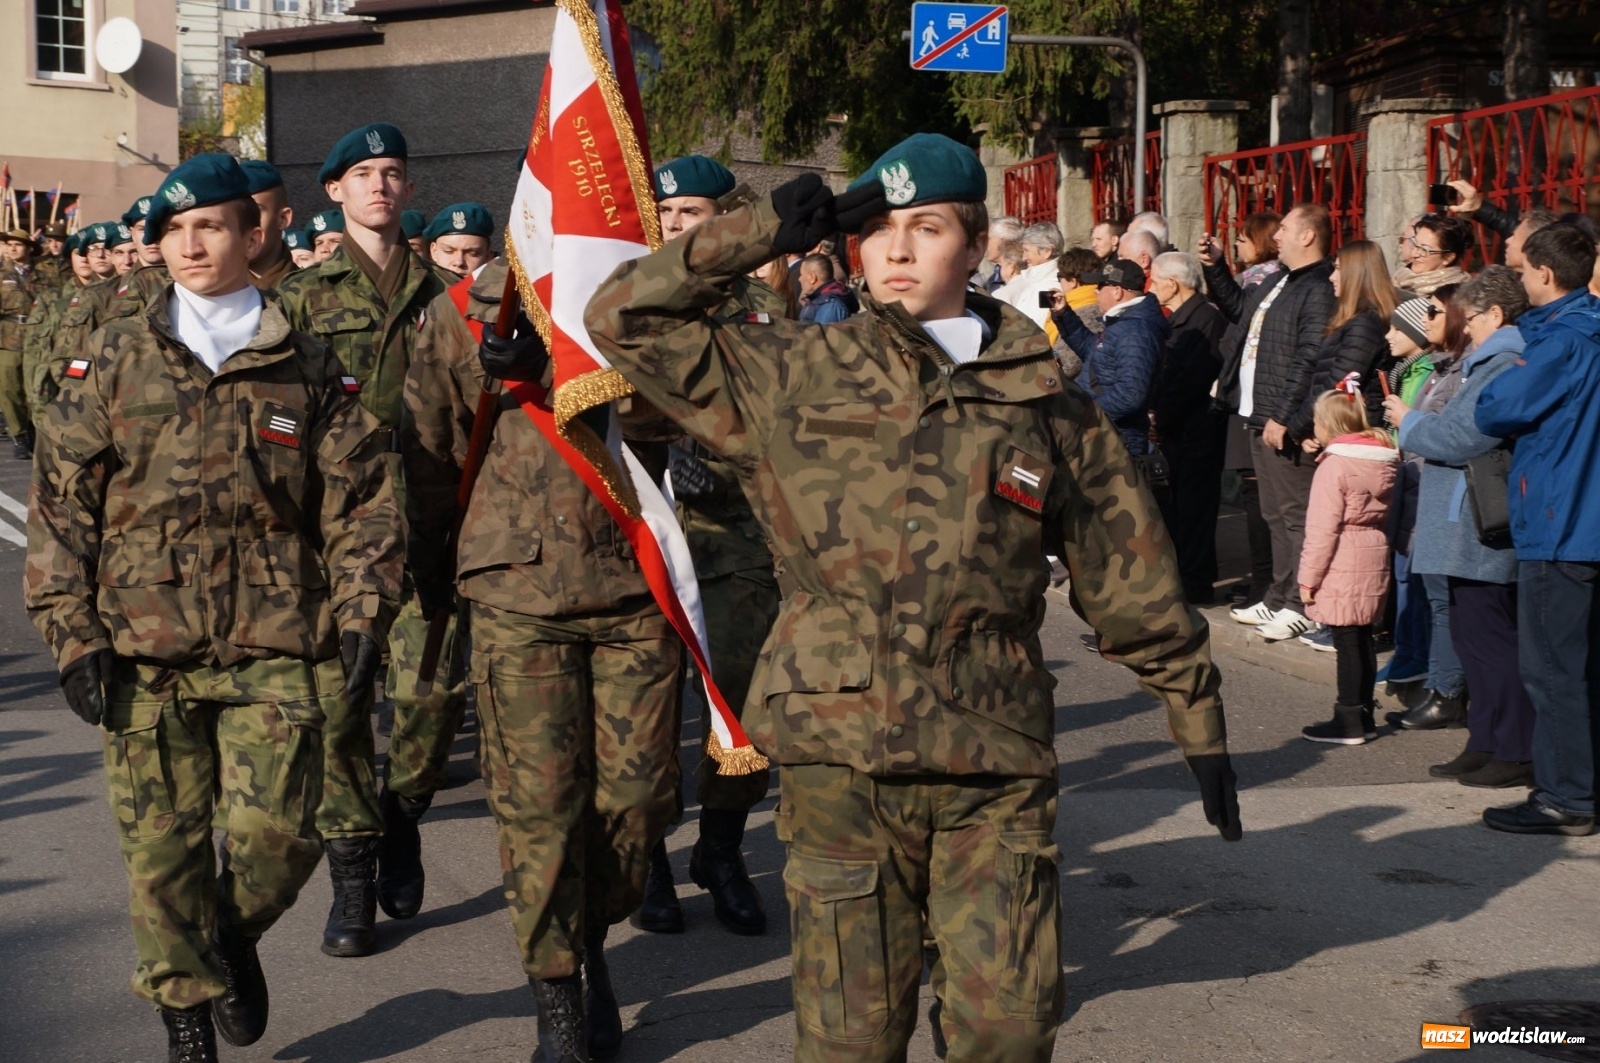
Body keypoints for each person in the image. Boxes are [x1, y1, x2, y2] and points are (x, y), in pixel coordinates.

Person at [584, 131, 1241, 1060]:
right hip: (838, 759)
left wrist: (1197, 719)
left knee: (1008, 1033)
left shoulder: (1045, 404)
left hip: (993, 762)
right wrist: (760, 228)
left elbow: (1126, 573)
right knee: (851, 1041)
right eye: (878, 229)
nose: (895, 249)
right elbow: (621, 317)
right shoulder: (791, 375)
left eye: (926, 227)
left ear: (973, 247)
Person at [23, 151, 402, 1063]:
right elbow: (61, 506)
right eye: (174, 230)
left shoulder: (304, 361)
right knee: (163, 860)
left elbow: (364, 501)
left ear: (253, 233)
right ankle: (185, 1027)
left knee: (285, 833)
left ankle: (229, 937)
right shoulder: (113, 356)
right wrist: (72, 634)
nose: (190, 245)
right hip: (142, 650)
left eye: (211, 227)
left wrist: (362, 609)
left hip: (277, 641)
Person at [403, 255, 680, 1061]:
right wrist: (426, 572)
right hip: (515, 587)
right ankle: (559, 991)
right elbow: (431, 449)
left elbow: (686, 419)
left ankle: (589, 932)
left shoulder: (640, 295)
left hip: (633, 581)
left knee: (640, 799)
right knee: (540, 807)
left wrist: (574, 368)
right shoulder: (469, 310)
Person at [276, 123, 474, 955]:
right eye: (362, 173)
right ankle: (352, 881)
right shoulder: (298, 301)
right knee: (343, 705)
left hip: (435, 534)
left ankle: (404, 813)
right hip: (341, 544)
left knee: (432, 701)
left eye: (393, 172)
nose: (380, 186)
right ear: (335, 191)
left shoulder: (451, 294)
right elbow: (277, 422)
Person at [634, 155, 784, 940]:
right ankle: (650, 853)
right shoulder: (616, 297)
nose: (674, 228)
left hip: (732, 534)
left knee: (743, 703)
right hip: (642, 531)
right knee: (647, 711)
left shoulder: (758, 302)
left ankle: (720, 848)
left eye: (690, 213)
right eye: (663, 215)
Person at [1384, 266, 1535, 787]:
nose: (1464, 328)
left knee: (1491, 641)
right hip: (1462, 517)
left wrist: (1408, 420)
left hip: (1478, 521)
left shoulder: (1504, 362)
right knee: (1474, 640)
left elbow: (1460, 436)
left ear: (1496, 314)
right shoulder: (1487, 360)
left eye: (1469, 318)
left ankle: (1513, 748)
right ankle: (1486, 739)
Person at [1475, 224, 1600, 836]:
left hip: (1562, 517)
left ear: (1546, 276)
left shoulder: (1563, 340)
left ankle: (1566, 798)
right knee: (1580, 667)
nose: (1521, 281)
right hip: (1584, 516)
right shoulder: (1586, 330)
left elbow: (1496, 407)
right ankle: (1579, 787)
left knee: (1552, 669)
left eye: (1524, 272)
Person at [1204, 204, 1336, 644]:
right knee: (1272, 513)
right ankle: (1277, 595)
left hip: (1282, 417)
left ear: (1308, 236)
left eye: (1284, 228)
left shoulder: (1318, 286)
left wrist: (1284, 415)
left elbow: (1308, 358)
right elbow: (1241, 311)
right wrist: (1218, 267)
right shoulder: (1280, 279)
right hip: (1257, 413)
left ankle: (1300, 604)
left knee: (1294, 514)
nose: (1276, 235)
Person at [1387, 284, 1471, 728]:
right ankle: (1439, 684)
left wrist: (1408, 420)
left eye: (1435, 312)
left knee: (1443, 600)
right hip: (1424, 493)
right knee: (1434, 598)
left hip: (1446, 498)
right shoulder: (1441, 366)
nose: (1427, 321)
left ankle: (1447, 692)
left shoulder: (1462, 372)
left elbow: (1449, 435)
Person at [1297, 385, 1399, 743]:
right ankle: (1365, 714)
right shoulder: (1383, 459)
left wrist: (1307, 580)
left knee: (1346, 640)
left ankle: (1348, 717)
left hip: (1342, 554)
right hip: (1373, 547)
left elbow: (1322, 530)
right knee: (1362, 638)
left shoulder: (1334, 466)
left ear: (1328, 424)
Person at [1150, 250, 1231, 604]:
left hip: (1195, 430)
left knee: (1194, 510)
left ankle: (1195, 583)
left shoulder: (1205, 320)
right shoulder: (1181, 318)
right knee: (1178, 508)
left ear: (1172, 284)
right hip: (1177, 428)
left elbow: (1191, 380)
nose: (1150, 288)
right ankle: (1183, 577)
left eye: (1154, 281)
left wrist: (1159, 417)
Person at [1375, 296, 1440, 690]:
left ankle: (1418, 655)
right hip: (1404, 474)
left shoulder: (1426, 372)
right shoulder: (1405, 369)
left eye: (1398, 328)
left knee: (1413, 574)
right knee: (1402, 570)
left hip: (1418, 477)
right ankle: (1406, 651)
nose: (1388, 335)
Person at [1286, 240, 1399, 446]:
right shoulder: (1354, 319)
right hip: (1339, 429)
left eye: (1338, 269)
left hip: (1355, 434)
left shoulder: (1365, 324)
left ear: (1357, 274)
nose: (1332, 277)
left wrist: (1295, 427)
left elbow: (1338, 384)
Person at [1055, 257, 1168, 457]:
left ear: (1117, 291)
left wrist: (1083, 411)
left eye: (1100, 286)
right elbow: (1093, 350)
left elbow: (1130, 394)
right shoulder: (1126, 323)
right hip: (1106, 432)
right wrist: (1063, 313)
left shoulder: (1136, 330)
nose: (1095, 292)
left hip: (1116, 439)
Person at [0, 227, 38, 456]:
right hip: (8, 338)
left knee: (34, 388)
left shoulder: (42, 272)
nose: (13, 248)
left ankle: (34, 432)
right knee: (10, 390)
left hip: (36, 337)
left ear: (29, 248)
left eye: (18, 244)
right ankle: (19, 436)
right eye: (9, 244)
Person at [241, 160, 297, 290]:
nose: (242, 223)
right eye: (235, 214)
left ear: (283, 218)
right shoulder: (208, 295)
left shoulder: (318, 294)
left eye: (254, 211)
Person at [1395, 213, 1473, 296]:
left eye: (1424, 250)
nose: (1414, 254)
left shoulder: (1454, 296)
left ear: (1448, 258)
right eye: (1415, 244)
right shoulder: (1399, 278)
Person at [1007, 222, 1065, 327]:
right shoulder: (1035, 281)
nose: (1024, 258)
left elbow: (1037, 328)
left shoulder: (1052, 288)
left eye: (1027, 251)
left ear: (1047, 251)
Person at [425, 201, 495, 281]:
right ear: (434, 251)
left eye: (472, 253)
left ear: (488, 256)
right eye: (448, 251)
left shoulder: (503, 292)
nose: (459, 262)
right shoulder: (414, 291)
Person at [797, 252, 855, 323]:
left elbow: (823, 333)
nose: (799, 279)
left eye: (801, 274)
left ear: (812, 277)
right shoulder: (815, 300)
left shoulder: (830, 306)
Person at [1233, 211, 1283, 289]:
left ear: (1260, 244)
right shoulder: (1279, 270)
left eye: (1241, 240)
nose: (1236, 243)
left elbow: (1243, 301)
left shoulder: (1260, 278)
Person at [978, 215, 1022, 292]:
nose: (985, 243)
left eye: (989, 238)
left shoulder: (1021, 273)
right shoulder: (995, 276)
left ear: (1002, 241)